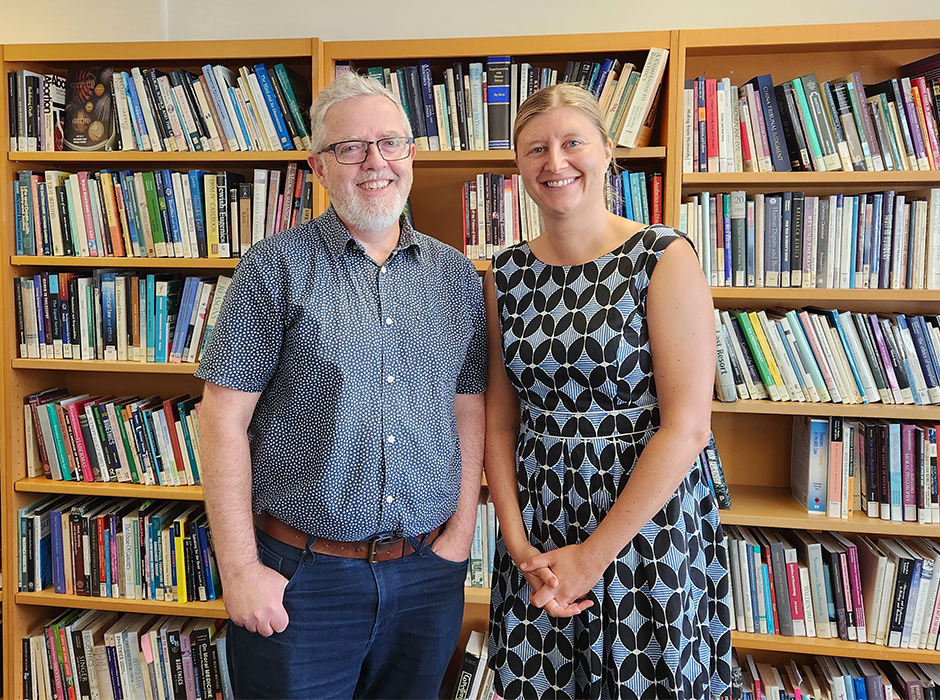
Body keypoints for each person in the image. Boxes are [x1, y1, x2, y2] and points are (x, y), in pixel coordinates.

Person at [195, 71, 487, 699]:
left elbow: (468, 409)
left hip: (425, 574)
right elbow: (220, 419)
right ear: (318, 167)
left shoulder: (455, 276)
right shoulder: (274, 267)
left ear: (412, 153)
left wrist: (460, 536)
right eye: (349, 147)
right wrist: (241, 569)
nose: (374, 161)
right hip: (302, 577)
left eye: (391, 142)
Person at [483, 83, 731, 699]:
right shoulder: (504, 275)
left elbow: (688, 426)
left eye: (573, 142)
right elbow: (498, 424)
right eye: (535, 148)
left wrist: (592, 557)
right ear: (517, 166)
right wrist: (518, 546)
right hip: (540, 527)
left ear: (608, 154)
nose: (555, 161)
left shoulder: (662, 256)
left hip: (647, 518)